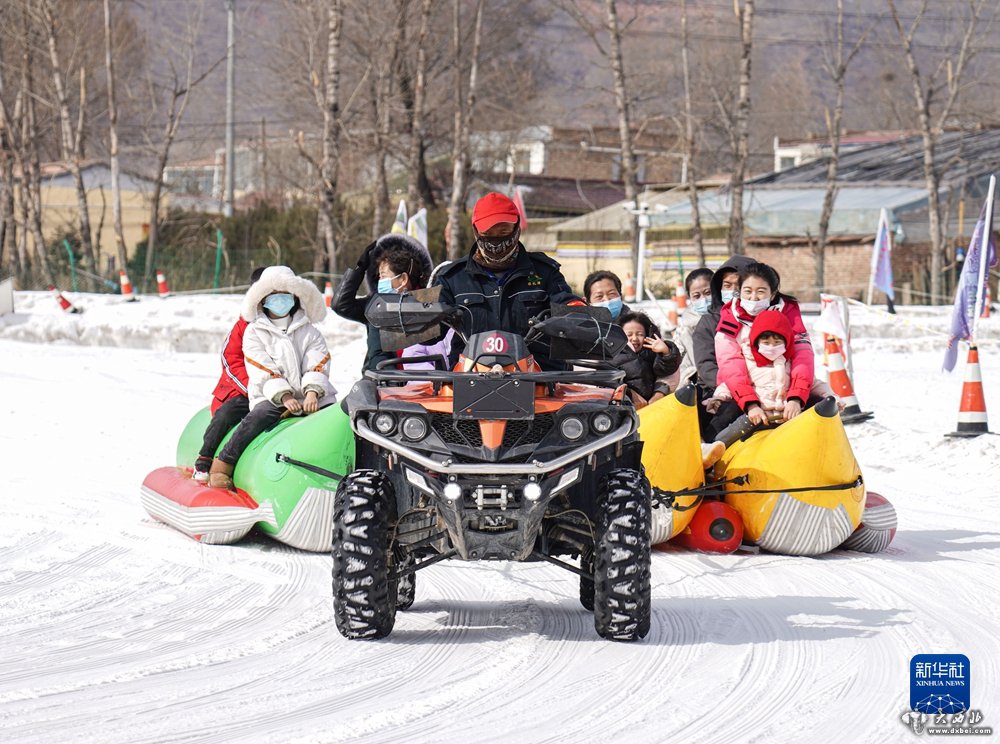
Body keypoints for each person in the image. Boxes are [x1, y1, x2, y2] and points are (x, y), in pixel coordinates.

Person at [208, 266, 337, 490]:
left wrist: (313, 391)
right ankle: (223, 464)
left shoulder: (310, 331)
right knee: (260, 415)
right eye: (273, 296)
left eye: (285, 296)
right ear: (262, 299)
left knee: (335, 418)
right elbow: (261, 368)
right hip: (272, 397)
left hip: (309, 396)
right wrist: (284, 396)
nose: (280, 301)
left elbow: (318, 360)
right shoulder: (254, 332)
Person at [434, 192, 582, 370]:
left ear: (517, 228)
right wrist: (410, 314)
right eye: (489, 233)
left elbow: (566, 303)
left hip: (541, 380)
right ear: (476, 231)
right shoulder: (452, 277)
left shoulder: (545, 272)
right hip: (469, 377)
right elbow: (426, 331)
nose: (496, 240)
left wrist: (579, 312)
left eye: (503, 231)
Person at [706, 261, 814, 439]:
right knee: (720, 421)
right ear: (739, 292)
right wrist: (750, 404)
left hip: (786, 389)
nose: (753, 298)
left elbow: (803, 358)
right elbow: (731, 364)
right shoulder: (730, 320)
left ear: (772, 294)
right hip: (743, 391)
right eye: (747, 291)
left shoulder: (789, 315)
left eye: (761, 291)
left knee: (821, 411)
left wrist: (796, 398)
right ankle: (710, 458)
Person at [193, 266, 266, 481]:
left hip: (281, 390)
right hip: (244, 390)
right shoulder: (244, 325)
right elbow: (230, 359)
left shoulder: (292, 324)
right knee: (226, 414)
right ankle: (204, 459)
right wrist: (253, 388)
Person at [706, 309, 834, 427]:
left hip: (787, 418)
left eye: (777, 343)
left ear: (787, 342)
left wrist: (830, 397)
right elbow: (731, 385)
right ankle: (716, 445)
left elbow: (812, 383)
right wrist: (719, 398)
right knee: (730, 424)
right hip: (756, 417)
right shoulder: (749, 363)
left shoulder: (789, 364)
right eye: (766, 343)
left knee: (817, 408)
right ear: (756, 343)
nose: (771, 347)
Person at [332, 233, 433, 373]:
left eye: (384, 277)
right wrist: (359, 269)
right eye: (379, 277)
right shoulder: (376, 306)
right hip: (383, 383)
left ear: (403, 279)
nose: (380, 282)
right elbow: (341, 305)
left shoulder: (430, 307)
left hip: (424, 384)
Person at [692, 255, 755, 391]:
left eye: (738, 285)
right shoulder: (709, 322)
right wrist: (736, 389)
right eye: (727, 285)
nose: (733, 291)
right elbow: (706, 365)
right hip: (721, 390)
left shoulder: (769, 317)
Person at [612, 310, 680, 408]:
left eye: (640, 334)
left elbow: (666, 371)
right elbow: (610, 381)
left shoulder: (652, 353)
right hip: (626, 407)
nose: (634, 338)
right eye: (629, 335)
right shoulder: (614, 355)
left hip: (653, 406)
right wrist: (630, 394)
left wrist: (666, 352)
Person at [674, 267, 713, 387]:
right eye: (696, 296)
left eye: (708, 293)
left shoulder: (729, 318)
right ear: (689, 298)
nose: (703, 299)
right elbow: (678, 360)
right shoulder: (685, 327)